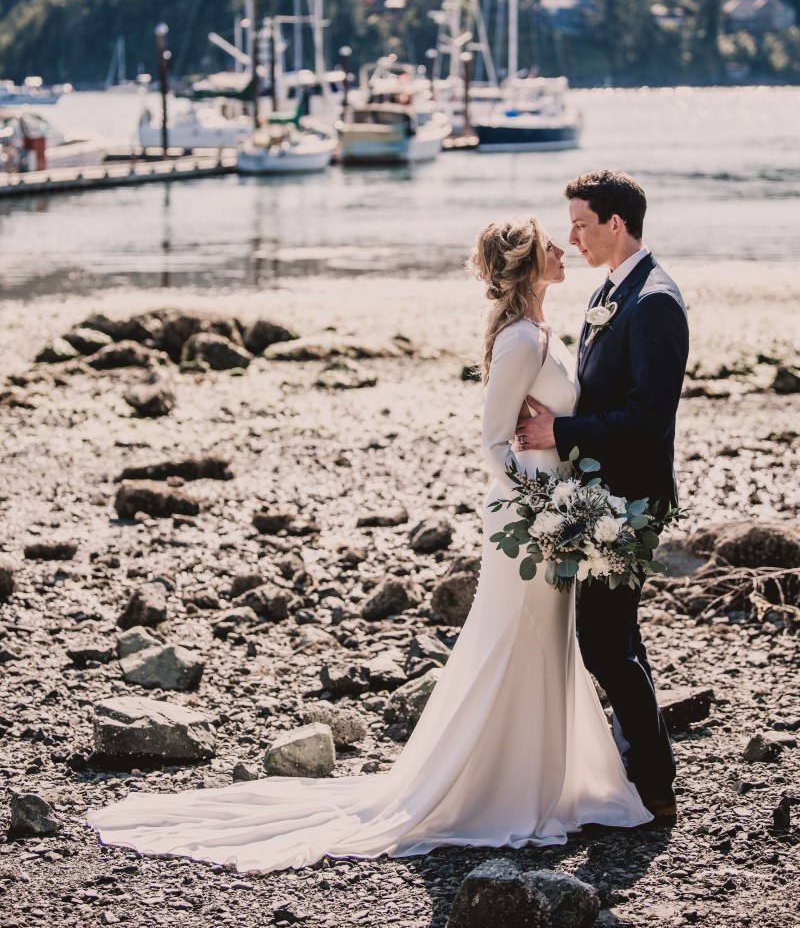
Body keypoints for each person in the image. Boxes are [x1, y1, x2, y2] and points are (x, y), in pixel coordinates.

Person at [88, 215, 650, 873]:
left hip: (552, 515)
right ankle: (499, 790)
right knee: (512, 644)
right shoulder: (521, 340)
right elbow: (494, 444)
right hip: (529, 521)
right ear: (530, 264)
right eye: (551, 244)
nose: (563, 249)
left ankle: (549, 782)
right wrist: (553, 502)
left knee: (548, 647)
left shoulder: (540, 331)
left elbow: (553, 425)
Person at [515, 171, 689, 823]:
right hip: (600, 493)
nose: (571, 237)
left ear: (617, 224)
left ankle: (654, 782)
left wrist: (557, 428)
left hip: (633, 498)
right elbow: (602, 393)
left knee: (603, 643)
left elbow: (648, 417)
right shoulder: (611, 293)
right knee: (618, 634)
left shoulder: (656, 303)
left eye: (581, 224)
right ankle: (643, 764)